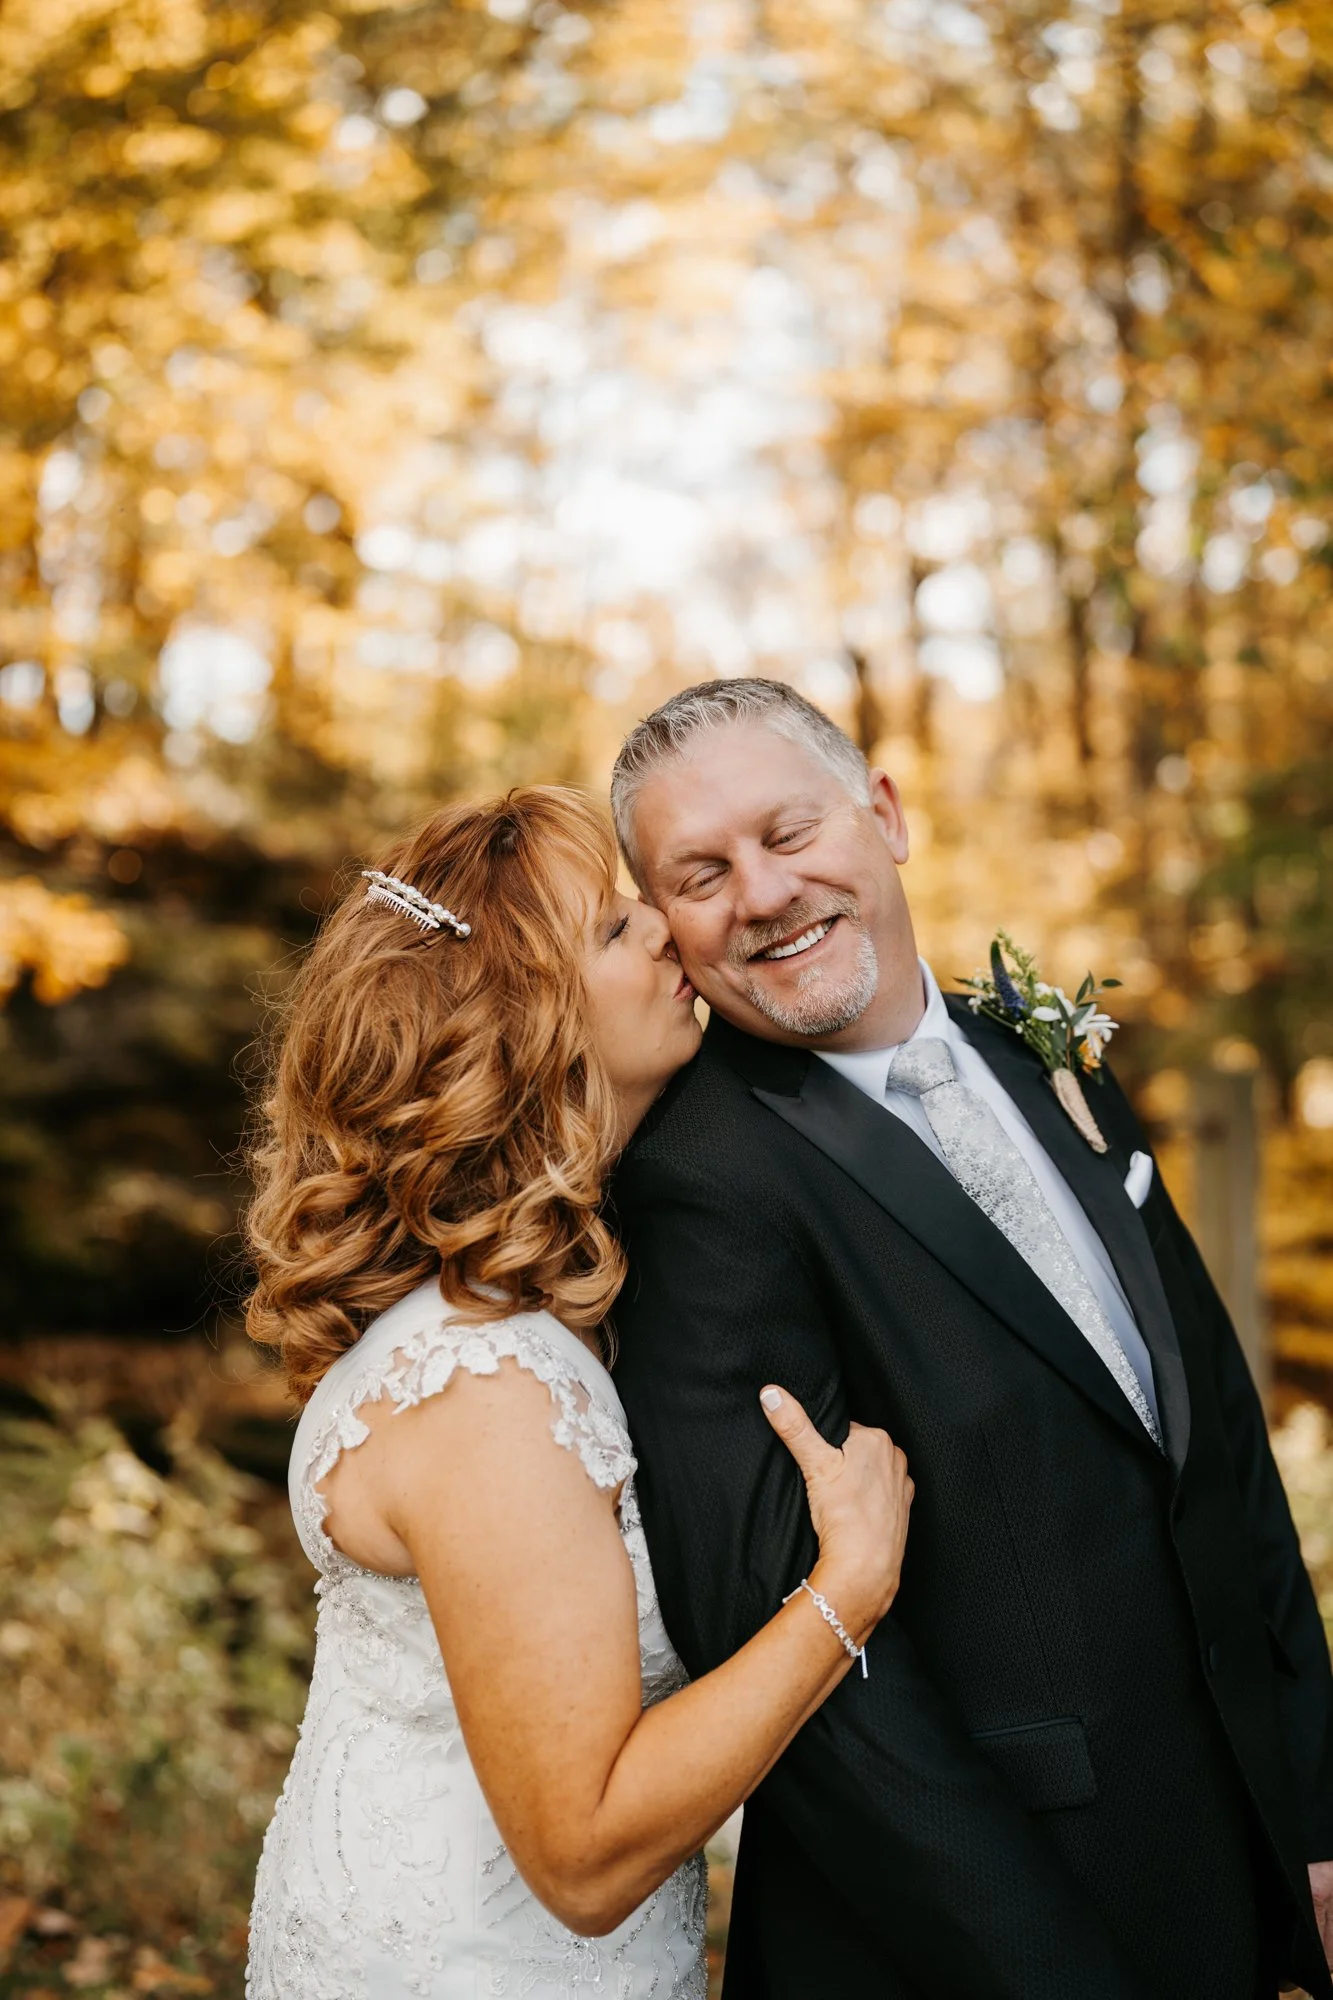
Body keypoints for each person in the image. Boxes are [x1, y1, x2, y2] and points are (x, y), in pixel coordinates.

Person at [608, 676, 1333, 2000]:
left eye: (787, 833)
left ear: (882, 814)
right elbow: (793, 1663)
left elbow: (1214, 1448)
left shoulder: (1050, 1060)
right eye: (699, 874)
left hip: (1216, 1874)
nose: (761, 894)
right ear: (666, 923)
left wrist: (1318, 1809)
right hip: (963, 1943)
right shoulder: (700, 1181)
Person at [242, 785, 913, 2000]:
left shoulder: (535, 1320)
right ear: (518, 1019)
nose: (664, 925)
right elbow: (586, 1851)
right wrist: (846, 1589)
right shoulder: (488, 1387)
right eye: (611, 927)